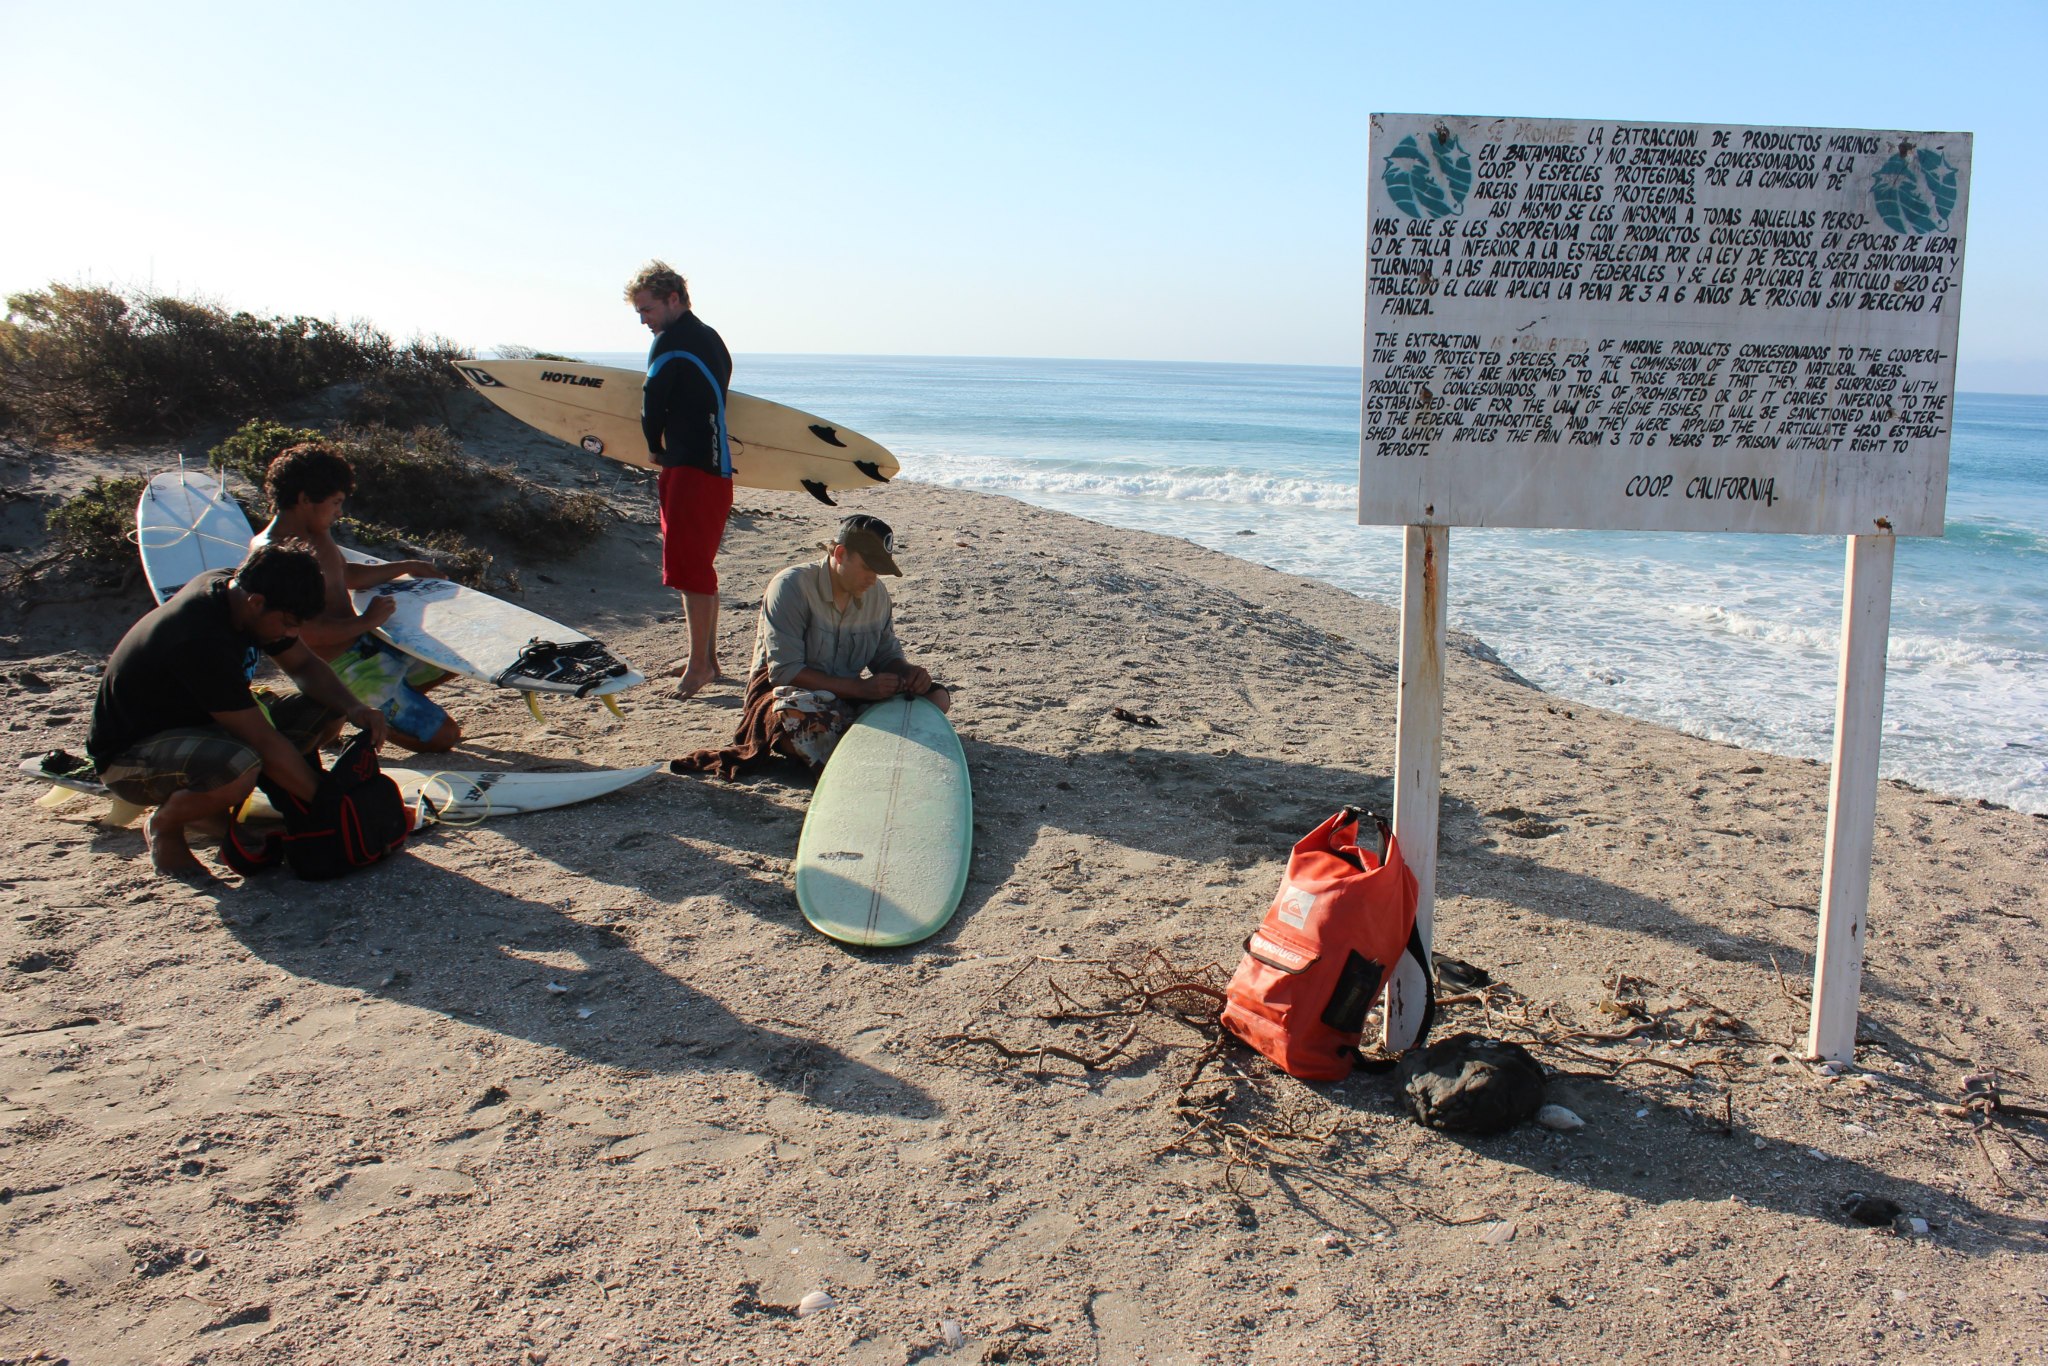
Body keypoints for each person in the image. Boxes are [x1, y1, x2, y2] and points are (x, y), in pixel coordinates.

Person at [85, 542, 389, 879]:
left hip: (203, 728)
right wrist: (336, 806)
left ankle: (214, 807)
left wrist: (355, 708)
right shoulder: (199, 638)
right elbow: (263, 742)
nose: (291, 634)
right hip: (130, 756)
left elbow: (303, 663)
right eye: (288, 623)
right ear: (256, 603)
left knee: (328, 709)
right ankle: (166, 823)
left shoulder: (242, 591)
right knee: (240, 763)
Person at [671, 514, 949, 779]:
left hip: (847, 696)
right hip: (787, 694)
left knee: (937, 698)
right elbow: (784, 672)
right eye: (868, 567)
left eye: (879, 570)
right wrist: (861, 689)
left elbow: (885, 656)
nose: (873, 579)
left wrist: (910, 673)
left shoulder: (876, 595)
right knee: (796, 718)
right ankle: (866, 738)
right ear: (840, 554)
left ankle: (852, 737)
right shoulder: (791, 586)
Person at [249, 442, 461, 752]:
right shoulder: (273, 554)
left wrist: (405, 566)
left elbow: (344, 574)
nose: (340, 512)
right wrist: (366, 621)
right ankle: (361, 713)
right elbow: (305, 633)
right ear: (305, 499)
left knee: (454, 657)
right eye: (335, 503)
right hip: (343, 667)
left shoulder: (315, 531)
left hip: (369, 642)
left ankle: (388, 699)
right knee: (444, 738)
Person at [625, 259, 734, 699]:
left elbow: (653, 399)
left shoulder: (671, 340)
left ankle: (699, 666)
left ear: (674, 300)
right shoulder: (711, 339)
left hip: (689, 467)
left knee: (690, 571)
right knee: (699, 568)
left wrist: (653, 445)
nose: (644, 321)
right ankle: (707, 659)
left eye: (647, 310)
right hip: (717, 467)